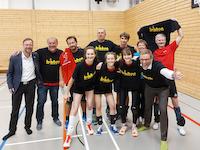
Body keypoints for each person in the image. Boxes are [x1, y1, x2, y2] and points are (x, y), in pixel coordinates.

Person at [139, 49, 182, 150]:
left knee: (162, 110)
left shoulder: (157, 65)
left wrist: (173, 75)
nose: (144, 62)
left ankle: (163, 139)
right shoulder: (139, 62)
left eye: (146, 59)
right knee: (147, 106)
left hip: (163, 89)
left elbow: (165, 71)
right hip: (149, 87)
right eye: (142, 59)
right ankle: (146, 124)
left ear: (151, 58)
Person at [3, 38, 41, 140]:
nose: (28, 46)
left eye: (30, 45)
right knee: (15, 109)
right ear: (23, 45)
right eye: (26, 45)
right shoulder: (15, 57)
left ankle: (27, 126)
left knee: (30, 107)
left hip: (31, 85)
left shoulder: (35, 56)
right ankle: (12, 130)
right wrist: (10, 85)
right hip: (18, 86)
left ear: (32, 46)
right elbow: (9, 73)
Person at [153, 25, 186, 135]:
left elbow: (181, 35)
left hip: (170, 79)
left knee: (175, 102)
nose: (160, 41)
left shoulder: (171, 47)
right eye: (158, 39)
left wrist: (177, 24)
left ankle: (180, 125)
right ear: (156, 41)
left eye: (162, 39)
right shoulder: (154, 52)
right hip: (159, 81)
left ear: (165, 40)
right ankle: (156, 120)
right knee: (157, 101)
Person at [63, 46, 98, 148]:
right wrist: (66, 92)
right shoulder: (79, 66)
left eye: (92, 54)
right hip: (78, 88)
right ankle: (69, 135)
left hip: (90, 87)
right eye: (88, 54)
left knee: (90, 105)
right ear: (85, 55)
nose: (90, 56)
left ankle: (88, 124)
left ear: (95, 55)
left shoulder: (97, 64)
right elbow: (72, 79)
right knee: (74, 108)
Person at [88, 28, 117, 124]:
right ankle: (95, 114)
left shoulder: (110, 44)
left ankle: (109, 112)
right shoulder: (92, 43)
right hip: (97, 70)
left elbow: (119, 50)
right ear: (97, 34)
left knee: (109, 96)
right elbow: (85, 52)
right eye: (99, 33)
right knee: (96, 100)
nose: (100, 34)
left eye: (102, 33)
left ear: (105, 34)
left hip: (107, 71)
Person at [59, 36, 87, 130]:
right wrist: (62, 79)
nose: (71, 44)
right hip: (70, 81)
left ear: (76, 42)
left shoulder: (83, 52)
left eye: (73, 42)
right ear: (67, 44)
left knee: (83, 99)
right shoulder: (65, 55)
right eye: (69, 43)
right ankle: (67, 119)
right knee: (69, 101)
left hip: (81, 80)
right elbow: (61, 67)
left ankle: (84, 115)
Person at [36, 37, 63, 130]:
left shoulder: (61, 53)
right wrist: (19, 53)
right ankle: (39, 120)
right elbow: (29, 54)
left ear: (57, 43)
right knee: (41, 102)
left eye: (54, 43)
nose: (52, 45)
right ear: (47, 43)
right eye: (50, 43)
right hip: (43, 84)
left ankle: (55, 118)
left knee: (55, 102)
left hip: (55, 84)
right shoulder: (40, 52)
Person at [118, 48, 141, 137]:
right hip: (123, 87)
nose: (127, 57)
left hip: (135, 87)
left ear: (132, 55)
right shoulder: (119, 63)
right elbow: (109, 64)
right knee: (121, 107)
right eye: (125, 55)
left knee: (134, 107)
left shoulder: (137, 64)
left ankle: (134, 125)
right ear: (122, 56)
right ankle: (124, 124)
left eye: (128, 55)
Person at [94, 52, 119, 135]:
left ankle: (112, 125)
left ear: (115, 59)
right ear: (106, 60)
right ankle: (100, 126)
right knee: (98, 106)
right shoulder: (100, 67)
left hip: (107, 89)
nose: (110, 60)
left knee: (112, 106)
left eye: (112, 58)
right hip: (97, 89)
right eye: (108, 59)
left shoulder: (116, 69)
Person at [114, 32, 136, 120]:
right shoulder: (115, 48)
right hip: (118, 75)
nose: (123, 40)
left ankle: (125, 112)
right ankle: (118, 111)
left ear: (128, 40)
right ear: (120, 39)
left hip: (128, 75)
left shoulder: (132, 49)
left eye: (125, 38)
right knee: (118, 94)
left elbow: (135, 59)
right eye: (122, 38)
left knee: (126, 96)